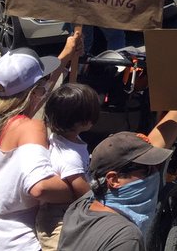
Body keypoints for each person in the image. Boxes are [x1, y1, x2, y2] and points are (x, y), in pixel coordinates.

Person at [0, 40, 83, 250]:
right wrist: (81, 189)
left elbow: (35, 96)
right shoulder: (31, 128)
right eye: (43, 84)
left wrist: (66, 55)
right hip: (19, 243)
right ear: (35, 92)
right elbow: (40, 188)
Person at [55, 111, 177, 251]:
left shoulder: (79, 208)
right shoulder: (127, 238)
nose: (155, 173)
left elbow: (157, 143)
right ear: (114, 179)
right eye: (147, 170)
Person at [35, 84, 100, 251]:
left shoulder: (64, 139)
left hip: (65, 210)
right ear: (84, 121)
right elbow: (82, 191)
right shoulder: (70, 156)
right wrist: (99, 207)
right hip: (57, 216)